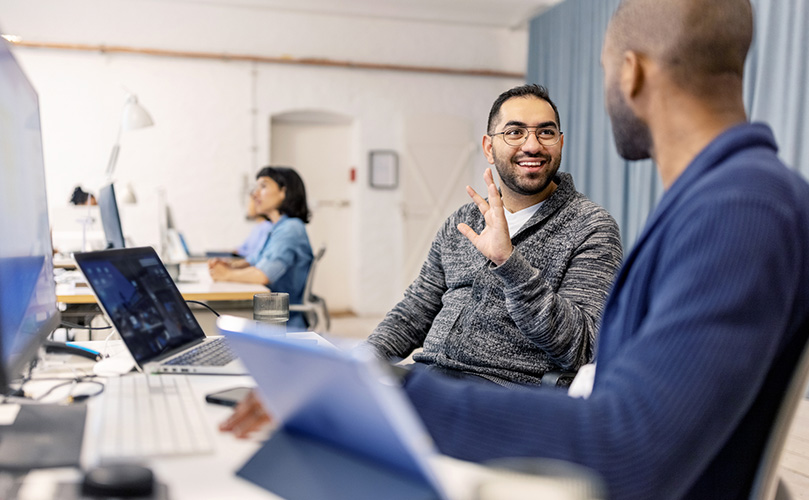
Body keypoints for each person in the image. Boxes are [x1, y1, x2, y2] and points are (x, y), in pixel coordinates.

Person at [222, 0, 809, 498]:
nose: (533, 143)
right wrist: (355, 377)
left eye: (604, 73)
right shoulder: (717, 202)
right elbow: (629, 408)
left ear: (630, 73)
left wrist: (395, 396)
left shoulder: (739, 209)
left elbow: (630, 447)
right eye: (515, 132)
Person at [364, 84, 623, 386]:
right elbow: (414, 312)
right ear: (489, 147)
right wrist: (359, 360)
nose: (533, 145)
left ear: (560, 143)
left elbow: (581, 347)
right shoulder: (461, 221)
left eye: (546, 132)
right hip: (428, 378)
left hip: (501, 393)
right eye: (515, 132)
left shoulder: (591, 227)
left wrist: (509, 263)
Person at [209, 166, 313, 329]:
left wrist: (227, 275)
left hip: (280, 320)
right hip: (268, 311)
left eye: (263, 186)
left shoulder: (290, 229)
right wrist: (229, 266)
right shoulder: (276, 227)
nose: (255, 194)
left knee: (210, 316)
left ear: (283, 192)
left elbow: (263, 275)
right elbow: (254, 260)